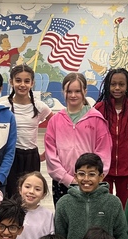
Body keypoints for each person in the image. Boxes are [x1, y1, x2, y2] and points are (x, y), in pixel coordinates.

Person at [44, 72, 111, 203]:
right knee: (64, 222)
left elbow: (104, 153)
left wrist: (91, 176)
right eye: (69, 91)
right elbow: (51, 156)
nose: (73, 95)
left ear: (85, 91)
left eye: (77, 91)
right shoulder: (55, 121)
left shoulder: (96, 119)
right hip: (61, 184)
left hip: (90, 183)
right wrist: (68, 179)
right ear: (63, 92)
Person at [53, 152, 128, 239]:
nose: (86, 179)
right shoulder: (64, 203)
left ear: (101, 177)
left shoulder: (113, 203)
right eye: (81, 174)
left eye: (92, 174)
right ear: (75, 176)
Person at [1, 63, 51, 199]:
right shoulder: (3, 105)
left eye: (26, 81)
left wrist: (48, 152)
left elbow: (57, 125)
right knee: (11, 195)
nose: (22, 84)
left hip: (31, 157)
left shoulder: (40, 106)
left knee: (30, 195)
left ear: (32, 83)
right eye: (18, 80)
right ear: (11, 82)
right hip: (11, 156)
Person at [94, 68, 128, 207]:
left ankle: (122, 229)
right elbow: (94, 141)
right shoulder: (99, 108)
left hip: (125, 170)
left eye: (121, 84)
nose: (117, 88)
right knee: (104, 206)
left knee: (123, 206)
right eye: (113, 84)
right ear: (108, 86)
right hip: (103, 170)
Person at [17, 171, 53, 239]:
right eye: (27, 187)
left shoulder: (47, 215)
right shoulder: (11, 211)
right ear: (20, 189)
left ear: (43, 194)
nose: (31, 191)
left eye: (37, 189)